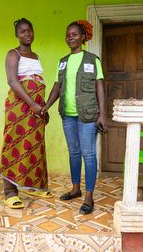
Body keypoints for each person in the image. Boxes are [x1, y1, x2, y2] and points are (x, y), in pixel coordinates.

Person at [42, 20, 106, 215]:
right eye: (68, 34)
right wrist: (46, 106)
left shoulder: (92, 60)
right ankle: (76, 188)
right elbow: (57, 86)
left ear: (83, 37)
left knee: (89, 154)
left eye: (75, 34)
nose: (70, 37)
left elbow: (99, 86)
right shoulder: (63, 61)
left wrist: (102, 114)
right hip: (67, 115)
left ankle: (89, 195)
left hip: (87, 115)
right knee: (74, 153)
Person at [0, 18, 52, 209]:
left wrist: (43, 108)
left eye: (29, 30)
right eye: (22, 31)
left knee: (34, 147)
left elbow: (38, 82)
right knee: (14, 144)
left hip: (36, 109)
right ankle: (10, 192)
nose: (27, 34)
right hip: (19, 108)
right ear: (17, 34)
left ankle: (31, 184)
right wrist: (32, 104)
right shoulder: (13, 54)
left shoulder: (35, 56)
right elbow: (13, 81)